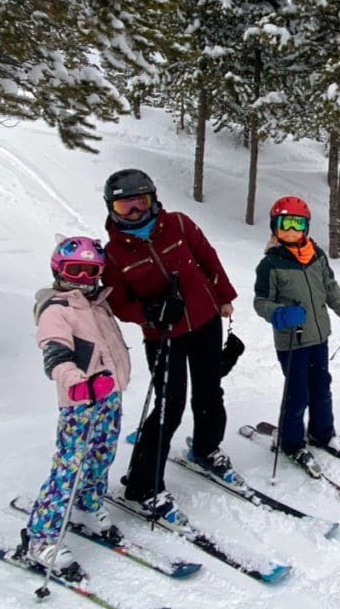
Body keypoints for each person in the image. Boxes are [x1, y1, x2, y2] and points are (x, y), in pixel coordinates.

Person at [101, 168, 237, 524]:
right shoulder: (114, 253)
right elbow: (116, 302)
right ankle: (143, 484)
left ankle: (206, 448)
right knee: (169, 404)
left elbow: (208, 259)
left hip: (205, 322)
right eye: (125, 205)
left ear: (153, 199)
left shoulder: (178, 224)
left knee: (209, 390)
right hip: (163, 336)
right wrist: (147, 312)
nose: (134, 211)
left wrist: (223, 296)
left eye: (140, 202)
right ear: (112, 208)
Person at [24, 235, 131, 572]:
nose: (83, 279)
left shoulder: (98, 303)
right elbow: (54, 353)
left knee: (103, 452)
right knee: (69, 464)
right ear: (58, 269)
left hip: (109, 395)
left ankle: (88, 501)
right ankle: (41, 537)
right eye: (75, 271)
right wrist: (77, 380)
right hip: (80, 402)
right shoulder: (57, 310)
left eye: (90, 272)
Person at [253, 196, 340, 477]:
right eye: (285, 224)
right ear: (274, 227)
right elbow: (261, 301)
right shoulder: (270, 264)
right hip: (291, 340)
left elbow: (329, 287)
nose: (291, 230)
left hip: (319, 336)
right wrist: (278, 313)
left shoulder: (316, 255)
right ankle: (291, 442)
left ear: (306, 227)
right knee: (297, 392)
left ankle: (321, 433)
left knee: (321, 386)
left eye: (297, 223)